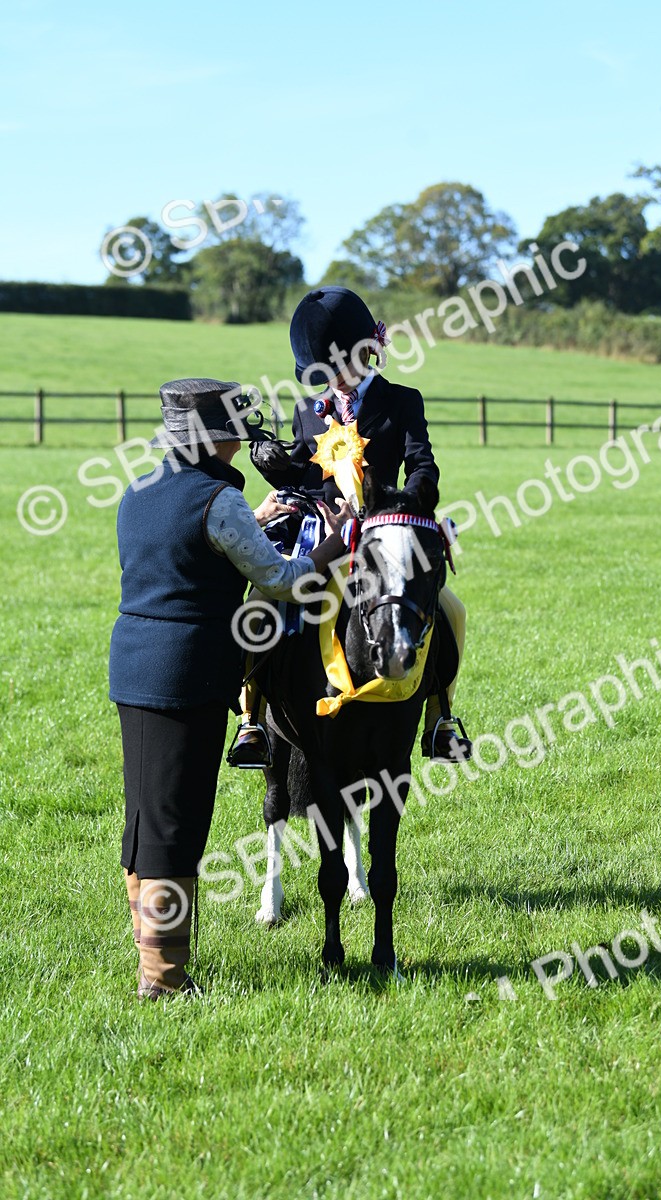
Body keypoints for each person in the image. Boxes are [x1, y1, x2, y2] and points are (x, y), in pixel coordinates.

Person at [109, 378, 348, 1000]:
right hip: (186, 673)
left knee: (145, 817)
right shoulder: (219, 500)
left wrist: (252, 521)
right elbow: (284, 579)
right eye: (232, 432)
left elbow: (176, 552)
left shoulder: (138, 490)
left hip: (132, 665)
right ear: (213, 440)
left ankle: (153, 961)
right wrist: (335, 543)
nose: (241, 442)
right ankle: (163, 980)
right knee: (177, 825)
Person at [228, 286, 470, 767]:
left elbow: (422, 463)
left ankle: (440, 720)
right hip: (323, 533)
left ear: (367, 351)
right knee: (260, 603)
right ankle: (251, 720)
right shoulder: (307, 412)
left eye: (339, 368)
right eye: (324, 373)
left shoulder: (401, 402)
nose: (334, 381)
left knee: (452, 610)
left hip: (385, 531)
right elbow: (304, 478)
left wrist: (406, 502)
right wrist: (275, 465)